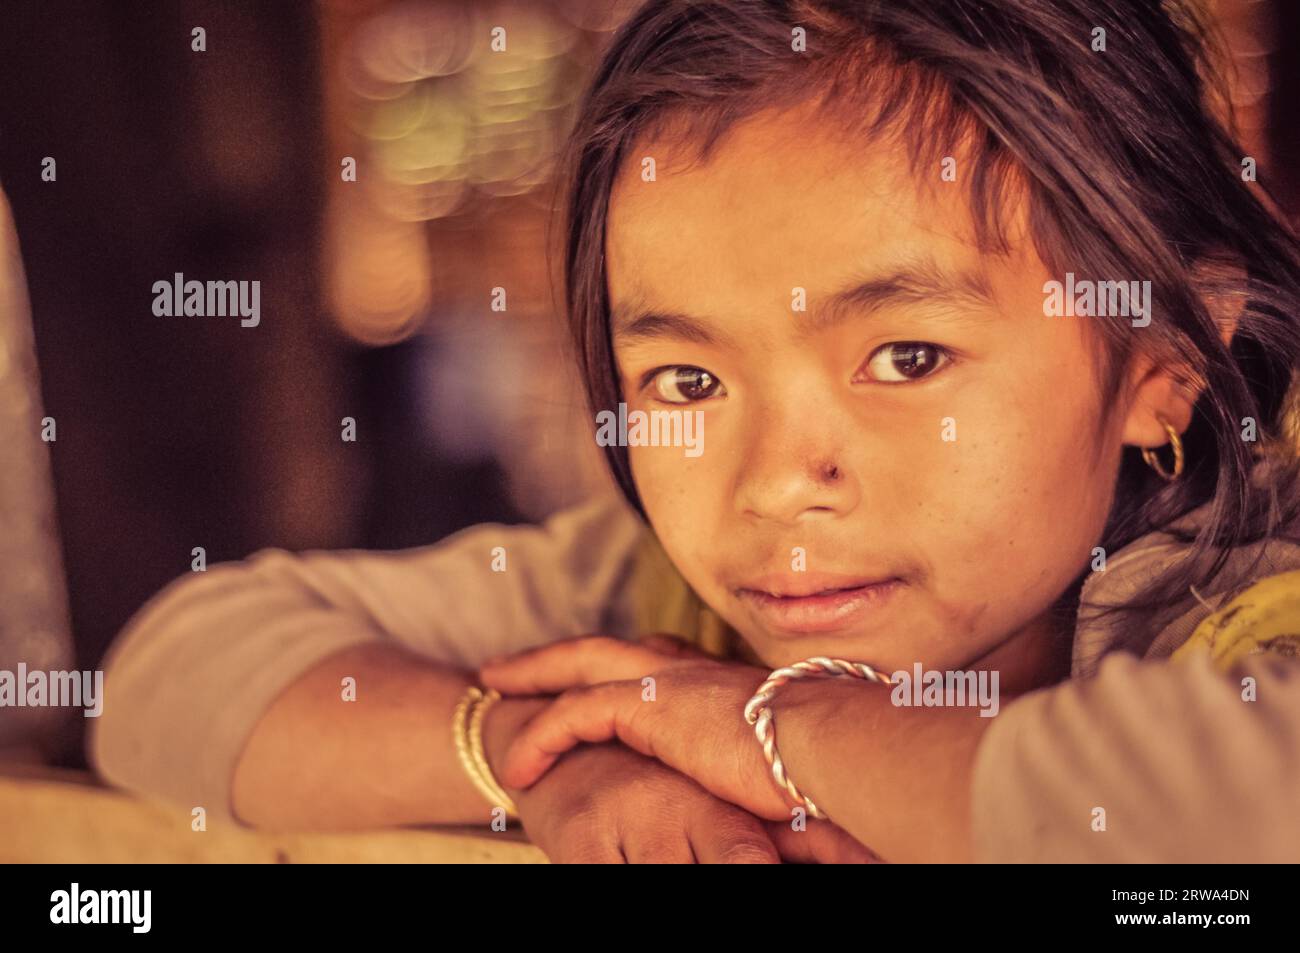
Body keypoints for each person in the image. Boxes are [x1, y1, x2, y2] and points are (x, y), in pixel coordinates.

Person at [91, 0, 1300, 862]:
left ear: (1164, 360)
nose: (774, 484)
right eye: (685, 381)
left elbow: (1226, 809)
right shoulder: (655, 605)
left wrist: (767, 728)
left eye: (906, 357)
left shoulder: (1261, 603)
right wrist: (535, 751)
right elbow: (168, 679)